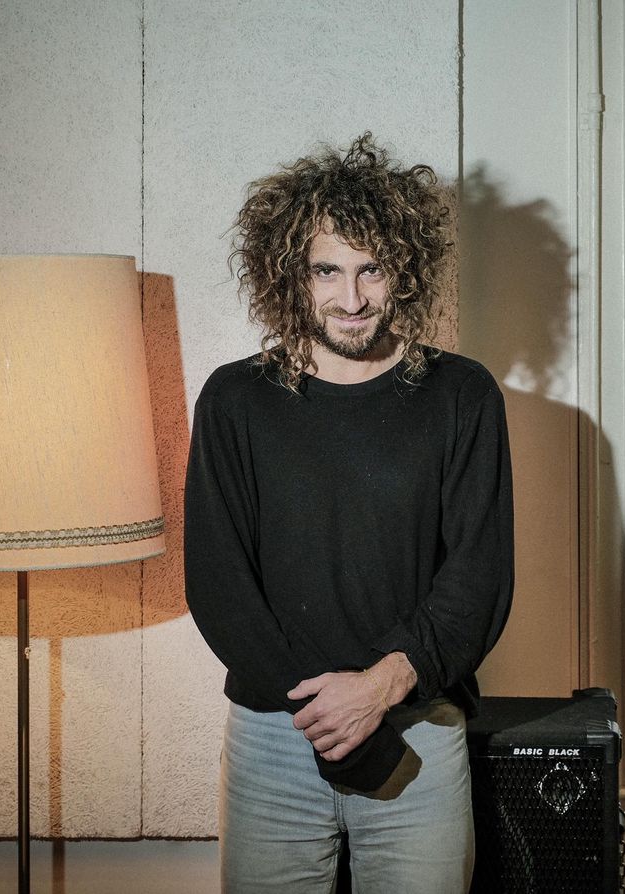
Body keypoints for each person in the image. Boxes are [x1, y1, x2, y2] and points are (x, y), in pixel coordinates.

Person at [184, 133, 514, 893]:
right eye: (326, 271)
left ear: (406, 269)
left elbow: (480, 578)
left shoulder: (462, 396)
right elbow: (218, 585)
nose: (352, 298)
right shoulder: (236, 401)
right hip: (273, 736)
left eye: (373, 269)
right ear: (290, 275)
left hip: (418, 732)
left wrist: (379, 689)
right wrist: (331, 720)